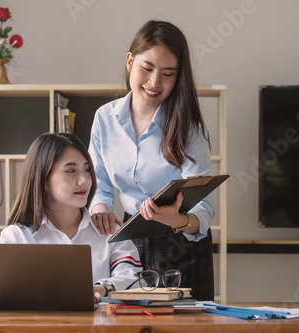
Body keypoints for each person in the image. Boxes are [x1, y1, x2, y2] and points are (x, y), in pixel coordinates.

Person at [88, 20, 215, 301]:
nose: (155, 83)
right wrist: (100, 208)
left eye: (168, 74)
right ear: (130, 61)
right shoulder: (104, 119)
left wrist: (179, 219)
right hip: (129, 240)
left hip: (182, 242)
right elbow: (100, 182)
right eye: (146, 69)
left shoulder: (187, 126)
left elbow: (205, 207)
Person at [0, 133, 141, 302]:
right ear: (43, 180)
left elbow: (134, 279)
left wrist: (101, 288)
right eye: (71, 170)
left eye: (87, 169)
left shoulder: (109, 232)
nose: (84, 180)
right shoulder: (18, 236)